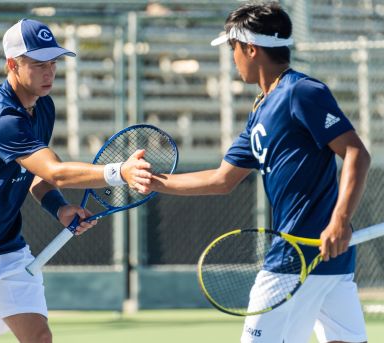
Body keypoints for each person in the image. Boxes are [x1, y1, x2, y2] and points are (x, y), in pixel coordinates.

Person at [0, 18, 152, 343]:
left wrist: (59, 208)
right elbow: (55, 171)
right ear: (12, 65)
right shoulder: (0, 119)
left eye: (53, 63)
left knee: (40, 338)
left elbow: (37, 177)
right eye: (38, 64)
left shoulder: (43, 108)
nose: (49, 72)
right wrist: (119, 173)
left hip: (7, 249)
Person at [150, 2, 371, 343]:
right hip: (323, 256)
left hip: (298, 256)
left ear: (251, 49)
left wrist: (340, 220)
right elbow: (222, 179)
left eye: (232, 48)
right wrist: (152, 181)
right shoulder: (260, 110)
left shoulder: (302, 92)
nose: (232, 57)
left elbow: (356, 152)